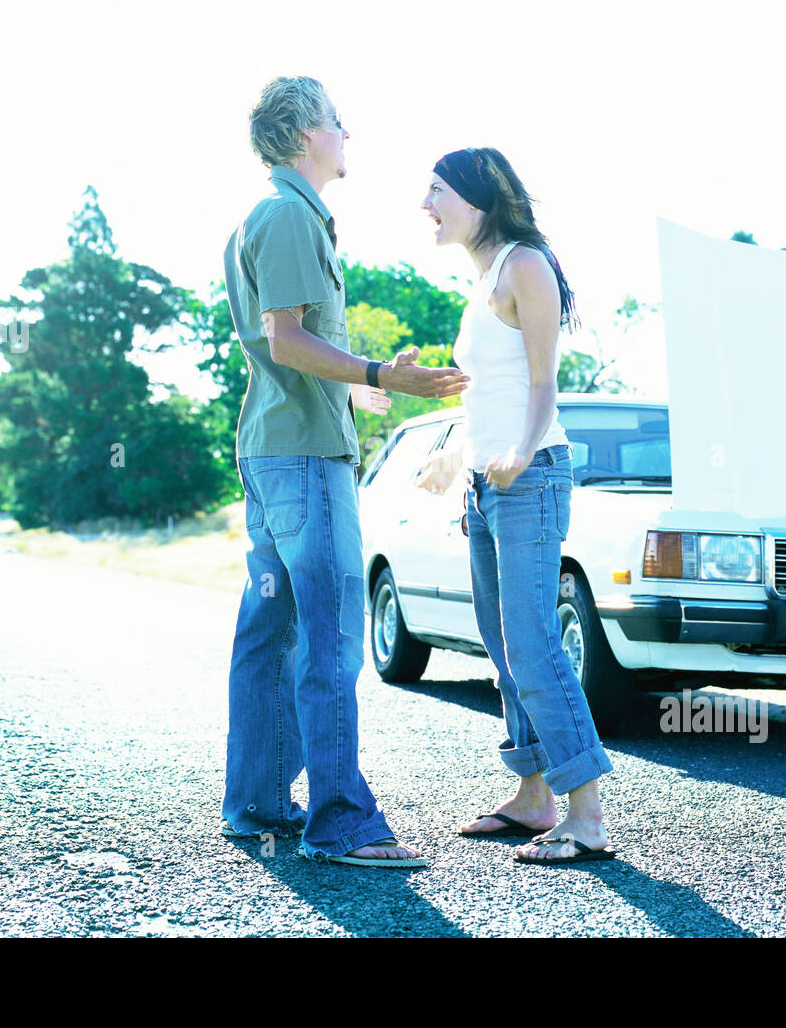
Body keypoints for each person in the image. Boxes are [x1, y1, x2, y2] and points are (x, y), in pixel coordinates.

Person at [220, 78, 469, 869]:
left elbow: (283, 350)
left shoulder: (269, 215)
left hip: (272, 448)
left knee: (272, 630)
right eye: (334, 120)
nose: (346, 132)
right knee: (328, 636)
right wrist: (383, 376)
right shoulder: (291, 214)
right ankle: (341, 822)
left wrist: (362, 383)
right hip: (303, 457)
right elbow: (286, 338)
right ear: (302, 134)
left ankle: (255, 802)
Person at [417, 147, 616, 865]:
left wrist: (523, 450)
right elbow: (484, 395)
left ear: (478, 195)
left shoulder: (525, 265)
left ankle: (585, 812)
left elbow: (542, 385)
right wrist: (452, 455)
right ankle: (533, 795)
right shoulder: (480, 282)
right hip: (485, 480)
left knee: (532, 639)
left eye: (436, 191)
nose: (425, 205)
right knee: (502, 645)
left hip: (529, 479)